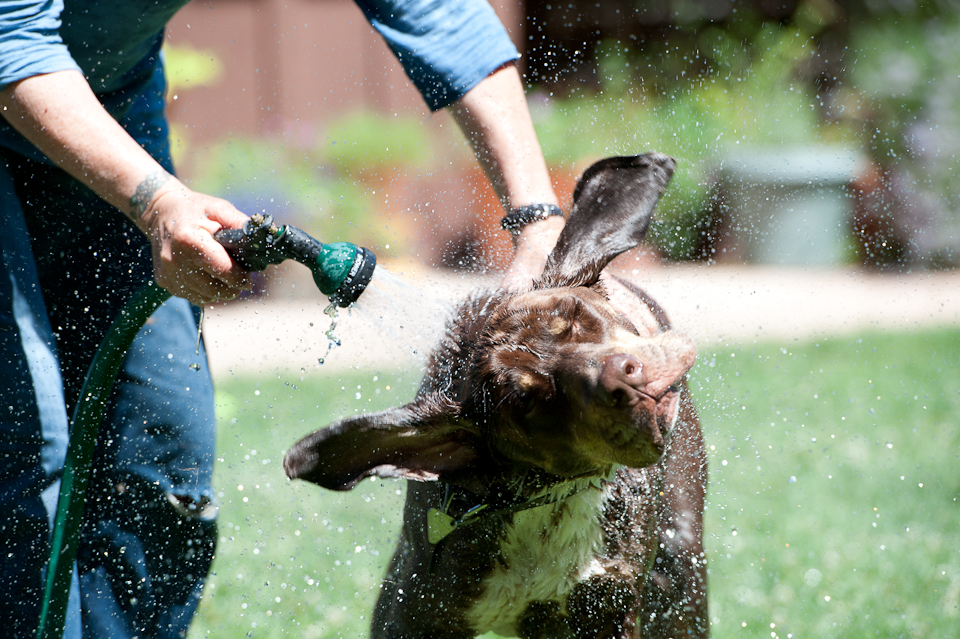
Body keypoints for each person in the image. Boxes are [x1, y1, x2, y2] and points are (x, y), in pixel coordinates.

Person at [0, 0, 563, 637]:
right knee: (23, 462)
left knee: (158, 459)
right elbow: (10, 36)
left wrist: (537, 219)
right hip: (18, 69)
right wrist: (159, 204)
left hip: (107, 97)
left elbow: (438, 10)